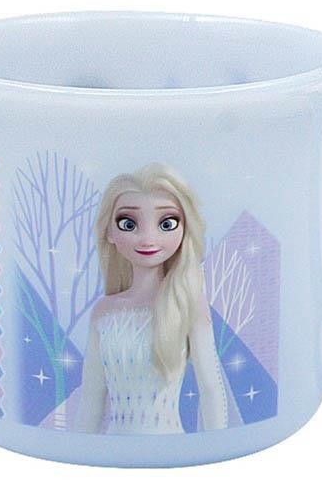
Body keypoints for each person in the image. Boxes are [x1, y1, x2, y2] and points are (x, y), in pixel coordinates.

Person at [74, 163, 228, 434]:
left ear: (184, 229)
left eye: (166, 224)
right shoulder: (104, 311)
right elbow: (92, 398)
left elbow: (211, 389)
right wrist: (78, 449)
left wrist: (217, 445)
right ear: (109, 232)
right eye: (128, 224)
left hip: (170, 443)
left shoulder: (186, 303)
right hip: (114, 446)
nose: (147, 238)